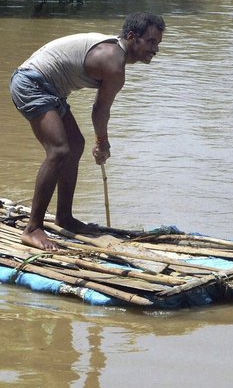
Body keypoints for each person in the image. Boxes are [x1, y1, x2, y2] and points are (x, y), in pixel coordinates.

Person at [9, 13, 165, 250]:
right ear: (132, 37)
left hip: (51, 89)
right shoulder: (114, 63)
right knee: (59, 150)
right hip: (32, 83)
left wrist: (99, 141)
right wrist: (102, 142)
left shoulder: (115, 55)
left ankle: (64, 218)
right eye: (152, 42)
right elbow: (99, 111)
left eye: (158, 44)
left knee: (75, 145)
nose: (155, 49)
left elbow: (98, 110)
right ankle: (32, 228)